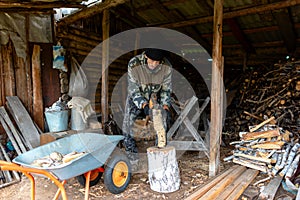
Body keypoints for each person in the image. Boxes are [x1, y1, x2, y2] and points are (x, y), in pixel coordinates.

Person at [122, 48, 173, 163]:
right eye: (151, 61)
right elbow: (133, 89)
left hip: (155, 96)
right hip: (136, 96)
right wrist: (143, 105)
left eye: (157, 62)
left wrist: (165, 106)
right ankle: (132, 159)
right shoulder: (134, 64)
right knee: (127, 127)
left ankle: (158, 158)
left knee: (162, 126)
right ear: (145, 56)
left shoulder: (166, 67)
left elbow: (166, 89)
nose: (154, 64)